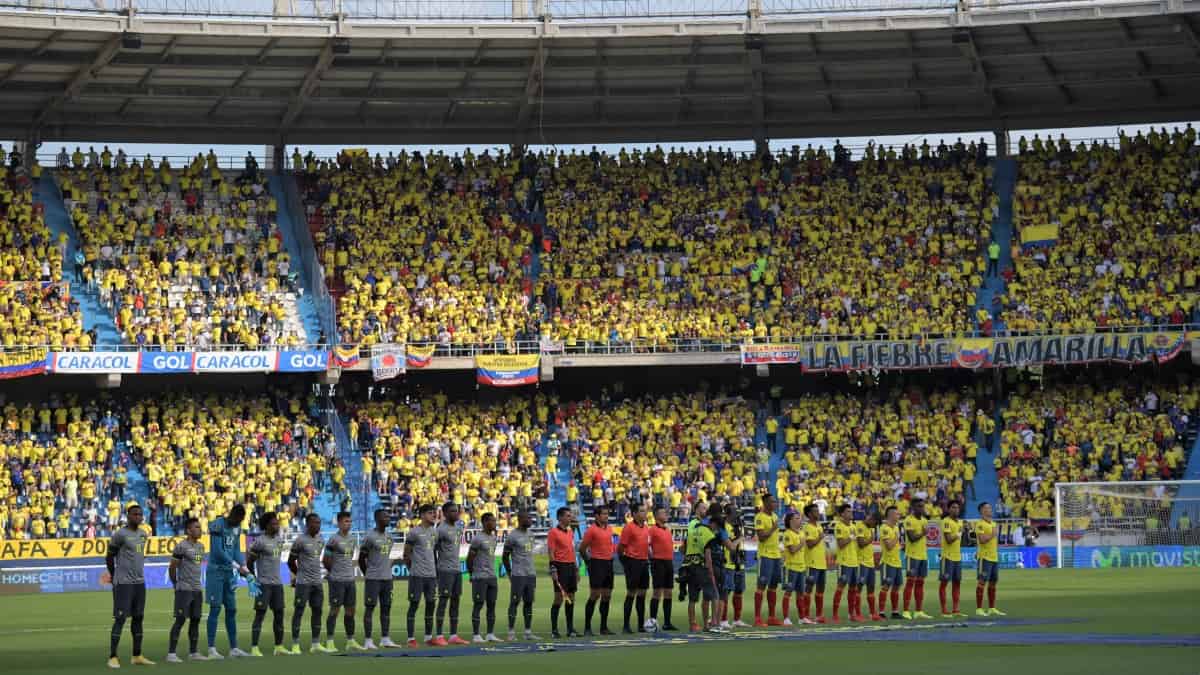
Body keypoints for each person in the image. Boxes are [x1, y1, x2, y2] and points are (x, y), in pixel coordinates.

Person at [106, 504, 154, 668]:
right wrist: (114, 576)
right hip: (124, 583)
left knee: (138, 618)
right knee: (120, 619)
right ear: (128, 516)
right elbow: (109, 556)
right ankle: (113, 657)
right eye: (135, 514)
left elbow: (139, 553)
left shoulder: (143, 534)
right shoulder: (120, 534)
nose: (138, 517)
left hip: (139, 583)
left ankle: (137, 655)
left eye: (140, 514)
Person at [206, 504, 250, 659]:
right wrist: (237, 566)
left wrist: (244, 566)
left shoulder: (237, 528)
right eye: (239, 518)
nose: (239, 522)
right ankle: (211, 649)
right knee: (215, 608)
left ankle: (234, 648)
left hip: (228, 573)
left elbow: (236, 550)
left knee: (231, 609)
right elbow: (218, 551)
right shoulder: (218, 524)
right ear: (233, 515)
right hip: (216, 571)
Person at [247, 512, 288, 656]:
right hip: (264, 584)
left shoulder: (279, 539)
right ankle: (254, 648)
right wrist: (253, 579)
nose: (277, 526)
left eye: (277, 523)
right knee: (260, 615)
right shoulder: (260, 541)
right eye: (274, 524)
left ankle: (278, 646)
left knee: (279, 615)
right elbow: (249, 562)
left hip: (277, 584)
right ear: (266, 525)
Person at [167, 517, 208, 663]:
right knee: (180, 619)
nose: (200, 530)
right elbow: (172, 567)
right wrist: (175, 584)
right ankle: (171, 653)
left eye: (200, 527)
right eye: (196, 527)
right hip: (184, 589)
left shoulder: (201, 547)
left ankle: (193, 652)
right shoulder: (181, 546)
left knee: (196, 620)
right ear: (189, 530)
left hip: (197, 589)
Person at [288, 513, 330, 653]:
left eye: (319, 523)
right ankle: (295, 645)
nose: (317, 525)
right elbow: (290, 561)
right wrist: (299, 574)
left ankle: (315, 643)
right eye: (314, 523)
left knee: (317, 611)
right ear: (307, 524)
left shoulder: (321, 539)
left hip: (317, 582)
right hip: (303, 583)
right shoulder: (300, 540)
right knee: (299, 611)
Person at [323, 511, 364, 652]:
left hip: (350, 580)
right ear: (339, 523)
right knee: (334, 610)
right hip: (337, 581)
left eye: (350, 521)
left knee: (350, 611)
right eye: (346, 521)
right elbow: (325, 560)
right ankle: (329, 642)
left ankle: (350, 641)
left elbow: (350, 558)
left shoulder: (353, 539)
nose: (349, 524)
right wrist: (333, 573)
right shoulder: (333, 540)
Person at [360, 509, 398, 650]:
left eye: (388, 516)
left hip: (387, 579)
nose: (388, 518)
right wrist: (368, 574)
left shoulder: (390, 537)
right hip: (373, 579)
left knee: (386, 608)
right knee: (370, 608)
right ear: (377, 519)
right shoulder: (369, 537)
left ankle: (385, 638)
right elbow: (361, 559)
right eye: (385, 516)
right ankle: (368, 640)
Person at [433, 502, 469, 645]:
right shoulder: (440, 529)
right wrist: (436, 568)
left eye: (457, 511)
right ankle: (440, 635)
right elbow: (432, 549)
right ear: (445, 513)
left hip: (456, 570)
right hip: (445, 570)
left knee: (456, 601)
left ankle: (453, 635)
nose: (456, 513)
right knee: (443, 601)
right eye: (453, 511)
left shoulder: (458, 528)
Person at [403, 504, 438, 647]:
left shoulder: (435, 532)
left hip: (431, 575)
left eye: (434, 513)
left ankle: (428, 637)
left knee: (431, 604)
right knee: (414, 604)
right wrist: (414, 569)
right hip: (417, 575)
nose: (434, 515)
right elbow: (406, 554)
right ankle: (410, 638)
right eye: (430, 513)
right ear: (422, 515)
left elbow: (434, 553)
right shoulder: (414, 532)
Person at [578, 504, 616, 636]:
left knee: (607, 596)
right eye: (604, 514)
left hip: (608, 564)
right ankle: (587, 628)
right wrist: (589, 562)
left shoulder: (609, 528)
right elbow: (582, 549)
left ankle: (603, 627)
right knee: (595, 595)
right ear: (597, 516)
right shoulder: (591, 530)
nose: (606, 516)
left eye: (607, 514)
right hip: (597, 563)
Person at [502, 510, 539, 641]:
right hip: (518, 574)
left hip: (530, 573)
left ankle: (528, 632)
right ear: (520, 519)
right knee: (515, 602)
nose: (530, 520)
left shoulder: (531, 534)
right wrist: (509, 572)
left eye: (530, 517)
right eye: (528, 517)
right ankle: (511, 632)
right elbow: (505, 556)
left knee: (529, 602)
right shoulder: (513, 536)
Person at [467, 512, 501, 642]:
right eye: (491, 521)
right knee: (478, 604)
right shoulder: (477, 539)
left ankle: (490, 634)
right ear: (485, 522)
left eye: (494, 520)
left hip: (492, 576)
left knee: (492, 605)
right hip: (480, 577)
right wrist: (472, 574)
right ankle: (476, 635)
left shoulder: (493, 538)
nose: (494, 523)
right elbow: (470, 558)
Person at [547, 506, 580, 638]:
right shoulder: (553, 532)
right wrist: (553, 568)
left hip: (571, 567)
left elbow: (572, 550)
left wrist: (576, 569)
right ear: (560, 517)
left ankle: (570, 629)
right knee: (559, 598)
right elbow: (551, 552)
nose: (570, 517)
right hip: (560, 567)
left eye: (570, 515)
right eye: (567, 515)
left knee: (571, 598)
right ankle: (554, 630)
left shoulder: (570, 531)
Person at [618, 503, 651, 633]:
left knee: (642, 594)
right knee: (631, 593)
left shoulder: (646, 527)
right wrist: (625, 561)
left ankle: (640, 625)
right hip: (633, 563)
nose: (645, 513)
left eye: (645, 511)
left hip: (644, 563)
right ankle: (626, 625)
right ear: (635, 514)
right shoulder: (628, 528)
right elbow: (621, 547)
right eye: (642, 511)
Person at [753, 495, 783, 627]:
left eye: (775, 502)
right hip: (765, 555)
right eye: (772, 502)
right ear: (765, 503)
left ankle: (771, 617)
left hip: (776, 555)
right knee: (761, 585)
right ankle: (757, 618)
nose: (775, 504)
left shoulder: (775, 516)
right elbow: (761, 537)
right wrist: (772, 528)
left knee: (773, 586)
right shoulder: (760, 517)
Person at [648, 506, 678, 631]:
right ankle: (653, 622)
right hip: (658, 562)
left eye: (666, 513)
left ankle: (667, 622)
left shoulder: (667, 529)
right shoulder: (652, 530)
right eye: (663, 513)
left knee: (668, 593)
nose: (666, 514)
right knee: (657, 593)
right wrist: (653, 559)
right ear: (656, 516)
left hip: (668, 562)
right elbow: (647, 545)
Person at [902, 498, 933, 619]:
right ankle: (905, 610)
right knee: (910, 582)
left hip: (923, 556)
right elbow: (912, 538)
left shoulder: (925, 521)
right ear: (913, 507)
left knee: (920, 583)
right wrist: (923, 533)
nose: (922, 508)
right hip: (912, 556)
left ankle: (919, 610)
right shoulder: (909, 520)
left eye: (923, 506)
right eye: (919, 506)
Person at [831, 504, 860, 623]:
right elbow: (841, 544)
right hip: (844, 562)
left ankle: (851, 614)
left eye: (851, 511)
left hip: (854, 562)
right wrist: (851, 537)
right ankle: (835, 615)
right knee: (840, 588)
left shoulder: (853, 526)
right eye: (848, 511)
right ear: (842, 514)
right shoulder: (839, 526)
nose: (850, 513)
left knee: (853, 589)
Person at [975, 502, 1005, 616]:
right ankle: (979, 609)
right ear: (981, 510)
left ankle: (992, 608)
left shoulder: (993, 523)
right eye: (986, 508)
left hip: (994, 557)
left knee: (993, 583)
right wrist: (993, 534)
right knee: (982, 582)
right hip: (984, 557)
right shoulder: (980, 524)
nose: (989, 509)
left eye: (990, 507)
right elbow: (982, 540)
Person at [781, 512, 810, 625]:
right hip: (791, 567)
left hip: (801, 567)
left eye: (800, 518)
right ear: (790, 521)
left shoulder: (801, 533)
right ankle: (786, 618)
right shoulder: (788, 534)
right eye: (797, 518)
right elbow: (792, 550)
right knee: (788, 592)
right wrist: (801, 544)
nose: (800, 520)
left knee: (800, 593)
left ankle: (802, 618)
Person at [721, 503, 748, 628]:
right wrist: (740, 538)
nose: (736, 516)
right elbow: (730, 544)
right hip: (728, 563)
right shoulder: (724, 526)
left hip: (739, 563)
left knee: (739, 591)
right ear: (727, 514)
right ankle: (723, 619)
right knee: (726, 591)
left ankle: (737, 619)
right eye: (733, 513)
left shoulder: (739, 525)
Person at [939, 501, 966, 618]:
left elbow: (961, 541)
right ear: (949, 509)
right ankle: (944, 610)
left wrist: (964, 531)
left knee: (957, 583)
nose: (956, 509)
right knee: (944, 583)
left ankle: (956, 609)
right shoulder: (946, 521)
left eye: (957, 507)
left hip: (957, 557)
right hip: (947, 557)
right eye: (953, 507)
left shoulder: (959, 522)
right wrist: (959, 533)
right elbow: (949, 539)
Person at [803, 503, 828, 623]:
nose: (818, 513)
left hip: (821, 562)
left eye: (818, 511)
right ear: (809, 514)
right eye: (815, 511)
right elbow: (810, 544)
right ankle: (806, 615)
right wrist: (820, 537)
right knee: (808, 588)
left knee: (820, 589)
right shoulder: (807, 527)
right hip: (812, 562)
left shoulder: (818, 526)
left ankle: (819, 615)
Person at [878, 506, 904, 619]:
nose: (898, 516)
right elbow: (888, 546)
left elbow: (895, 546)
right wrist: (897, 538)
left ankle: (895, 611)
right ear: (891, 515)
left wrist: (901, 546)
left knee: (897, 586)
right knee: (885, 586)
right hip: (888, 562)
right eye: (897, 514)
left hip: (897, 562)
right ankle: (881, 612)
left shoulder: (896, 527)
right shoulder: (884, 528)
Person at [857, 511, 882, 621]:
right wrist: (870, 540)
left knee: (871, 588)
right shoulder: (860, 526)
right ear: (871, 519)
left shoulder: (870, 529)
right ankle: (856, 613)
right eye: (875, 524)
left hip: (870, 563)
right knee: (859, 588)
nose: (875, 526)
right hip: (861, 562)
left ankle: (873, 614)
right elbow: (861, 544)